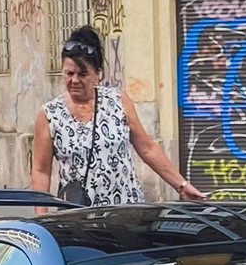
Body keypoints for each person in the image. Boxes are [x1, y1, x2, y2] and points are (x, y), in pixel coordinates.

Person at [32, 27, 203, 204]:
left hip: (126, 213)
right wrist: (40, 217)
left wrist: (181, 185)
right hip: (77, 219)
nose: (74, 80)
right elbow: (41, 171)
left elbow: (147, 148)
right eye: (69, 73)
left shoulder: (118, 101)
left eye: (82, 74)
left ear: (97, 74)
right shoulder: (49, 114)